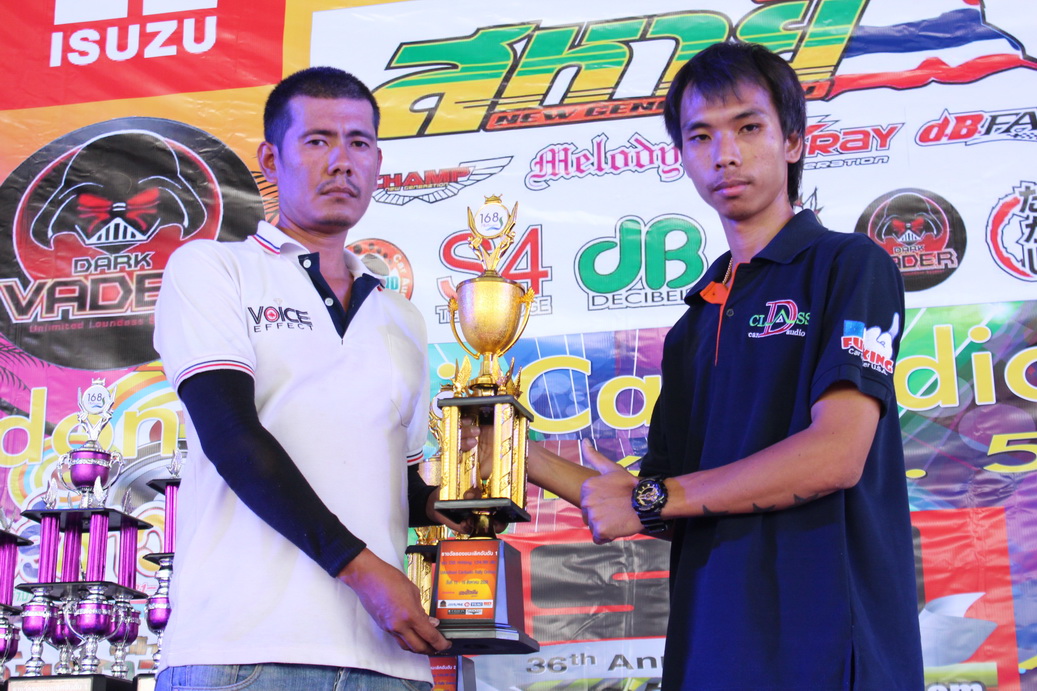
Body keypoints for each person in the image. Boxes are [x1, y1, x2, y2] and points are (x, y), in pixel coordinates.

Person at [528, 41, 923, 689]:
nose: (725, 154)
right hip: (710, 652)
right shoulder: (693, 324)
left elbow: (835, 455)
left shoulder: (848, 265)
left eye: (748, 127)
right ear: (681, 156)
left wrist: (653, 497)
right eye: (700, 136)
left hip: (824, 651)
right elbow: (658, 504)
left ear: (792, 140)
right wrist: (516, 455)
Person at [153, 66, 459, 691]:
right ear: (271, 158)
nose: (341, 161)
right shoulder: (214, 268)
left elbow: (397, 485)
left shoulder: (401, 317)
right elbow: (232, 437)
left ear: (378, 163)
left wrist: (469, 499)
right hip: (243, 651)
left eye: (359, 142)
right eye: (318, 140)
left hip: (389, 661)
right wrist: (364, 570)